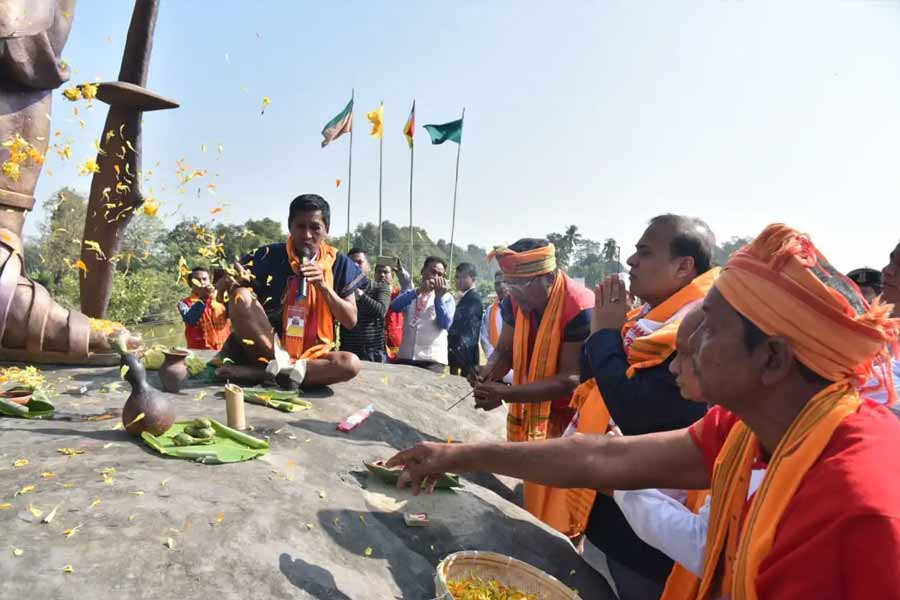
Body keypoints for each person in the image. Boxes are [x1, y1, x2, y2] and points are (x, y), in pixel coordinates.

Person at [388, 223, 900, 600]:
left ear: (772, 359)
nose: (686, 340)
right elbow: (600, 458)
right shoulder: (751, 425)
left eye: (709, 325)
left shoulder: (854, 506)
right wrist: (456, 455)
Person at [571, 215, 717, 597]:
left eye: (645, 252)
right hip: (613, 504)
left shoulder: (695, 326)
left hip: (649, 538)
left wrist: (604, 335)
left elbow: (637, 412)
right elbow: (593, 381)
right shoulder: (646, 320)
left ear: (684, 266)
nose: (631, 262)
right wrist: (606, 331)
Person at [470, 239, 594, 528]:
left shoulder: (579, 307)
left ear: (549, 278)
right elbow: (505, 351)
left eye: (521, 284)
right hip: (535, 409)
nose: (512, 292)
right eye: (508, 283)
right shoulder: (514, 301)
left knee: (563, 508)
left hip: (571, 416)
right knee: (535, 495)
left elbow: (570, 380)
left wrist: (507, 394)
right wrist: (488, 373)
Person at [213, 194, 364, 387]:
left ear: (327, 229)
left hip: (313, 356)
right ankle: (281, 369)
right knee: (241, 296)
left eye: (315, 227)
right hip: (265, 350)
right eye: (300, 226)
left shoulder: (340, 263)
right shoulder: (267, 255)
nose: (307, 235)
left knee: (349, 364)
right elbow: (220, 304)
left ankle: (266, 374)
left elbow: (350, 320)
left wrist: (323, 287)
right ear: (290, 227)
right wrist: (231, 284)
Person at [391, 256, 455, 373]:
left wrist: (438, 298)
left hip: (432, 361)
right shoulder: (412, 292)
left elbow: (445, 324)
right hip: (406, 357)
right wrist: (419, 291)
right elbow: (395, 306)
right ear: (423, 271)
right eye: (433, 271)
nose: (436, 277)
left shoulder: (447, 297)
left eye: (440, 275)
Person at [339, 249, 391, 363]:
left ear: (369, 266)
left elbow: (381, 311)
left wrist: (361, 296)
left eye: (359, 262)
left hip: (373, 355)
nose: (355, 266)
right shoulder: (341, 290)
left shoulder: (380, 288)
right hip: (347, 353)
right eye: (351, 263)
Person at [178, 267, 231, 350]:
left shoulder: (221, 297)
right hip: (199, 352)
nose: (202, 282)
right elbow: (191, 319)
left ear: (210, 281)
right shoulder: (184, 303)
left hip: (224, 349)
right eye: (197, 280)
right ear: (190, 283)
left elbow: (234, 315)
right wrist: (203, 298)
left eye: (205, 279)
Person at [448, 262, 484, 377]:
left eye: (463, 277)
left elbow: (465, 329)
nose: (459, 281)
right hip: (459, 354)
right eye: (457, 277)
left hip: (465, 355)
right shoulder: (463, 297)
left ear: (473, 278)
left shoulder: (474, 298)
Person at [480, 270, 512, 383]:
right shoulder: (490, 310)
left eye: (505, 281)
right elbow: (484, 338)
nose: (502, 286)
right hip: (495, 367)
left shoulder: (522, 309)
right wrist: (494, 359)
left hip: (516, 369)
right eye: (498, 283)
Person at [382, 258, 413, 360]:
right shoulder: (370, 294)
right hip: (378, 349)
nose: (382, 275)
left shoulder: (399, 295)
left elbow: (408, 286)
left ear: (393, 275)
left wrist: (400, 272)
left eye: (386, 272)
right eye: (379, 272)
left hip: (398, 352)